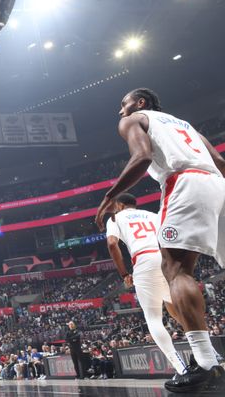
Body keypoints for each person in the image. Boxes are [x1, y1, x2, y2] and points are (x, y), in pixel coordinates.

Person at [94, 88, 225, 393]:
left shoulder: (134, 120)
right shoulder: (184, 124)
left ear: (140, 103)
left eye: (122, 104)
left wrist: (109, 196)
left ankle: (207, 363)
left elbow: (142, 158)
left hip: (184, 182)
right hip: (218, 184)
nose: (120, 111)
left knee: (177, 270)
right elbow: (219, 159)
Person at [105, 192, 187, 377]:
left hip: (143, 261)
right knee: (178, 309)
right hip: (165, 258)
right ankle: (207, 352)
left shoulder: (115, 218)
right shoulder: (153, 215)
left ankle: (181, 367)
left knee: (153, 318)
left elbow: (112, 244)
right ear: (135, 203)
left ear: (119, 205)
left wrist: (124, 273)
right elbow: (173, 235)